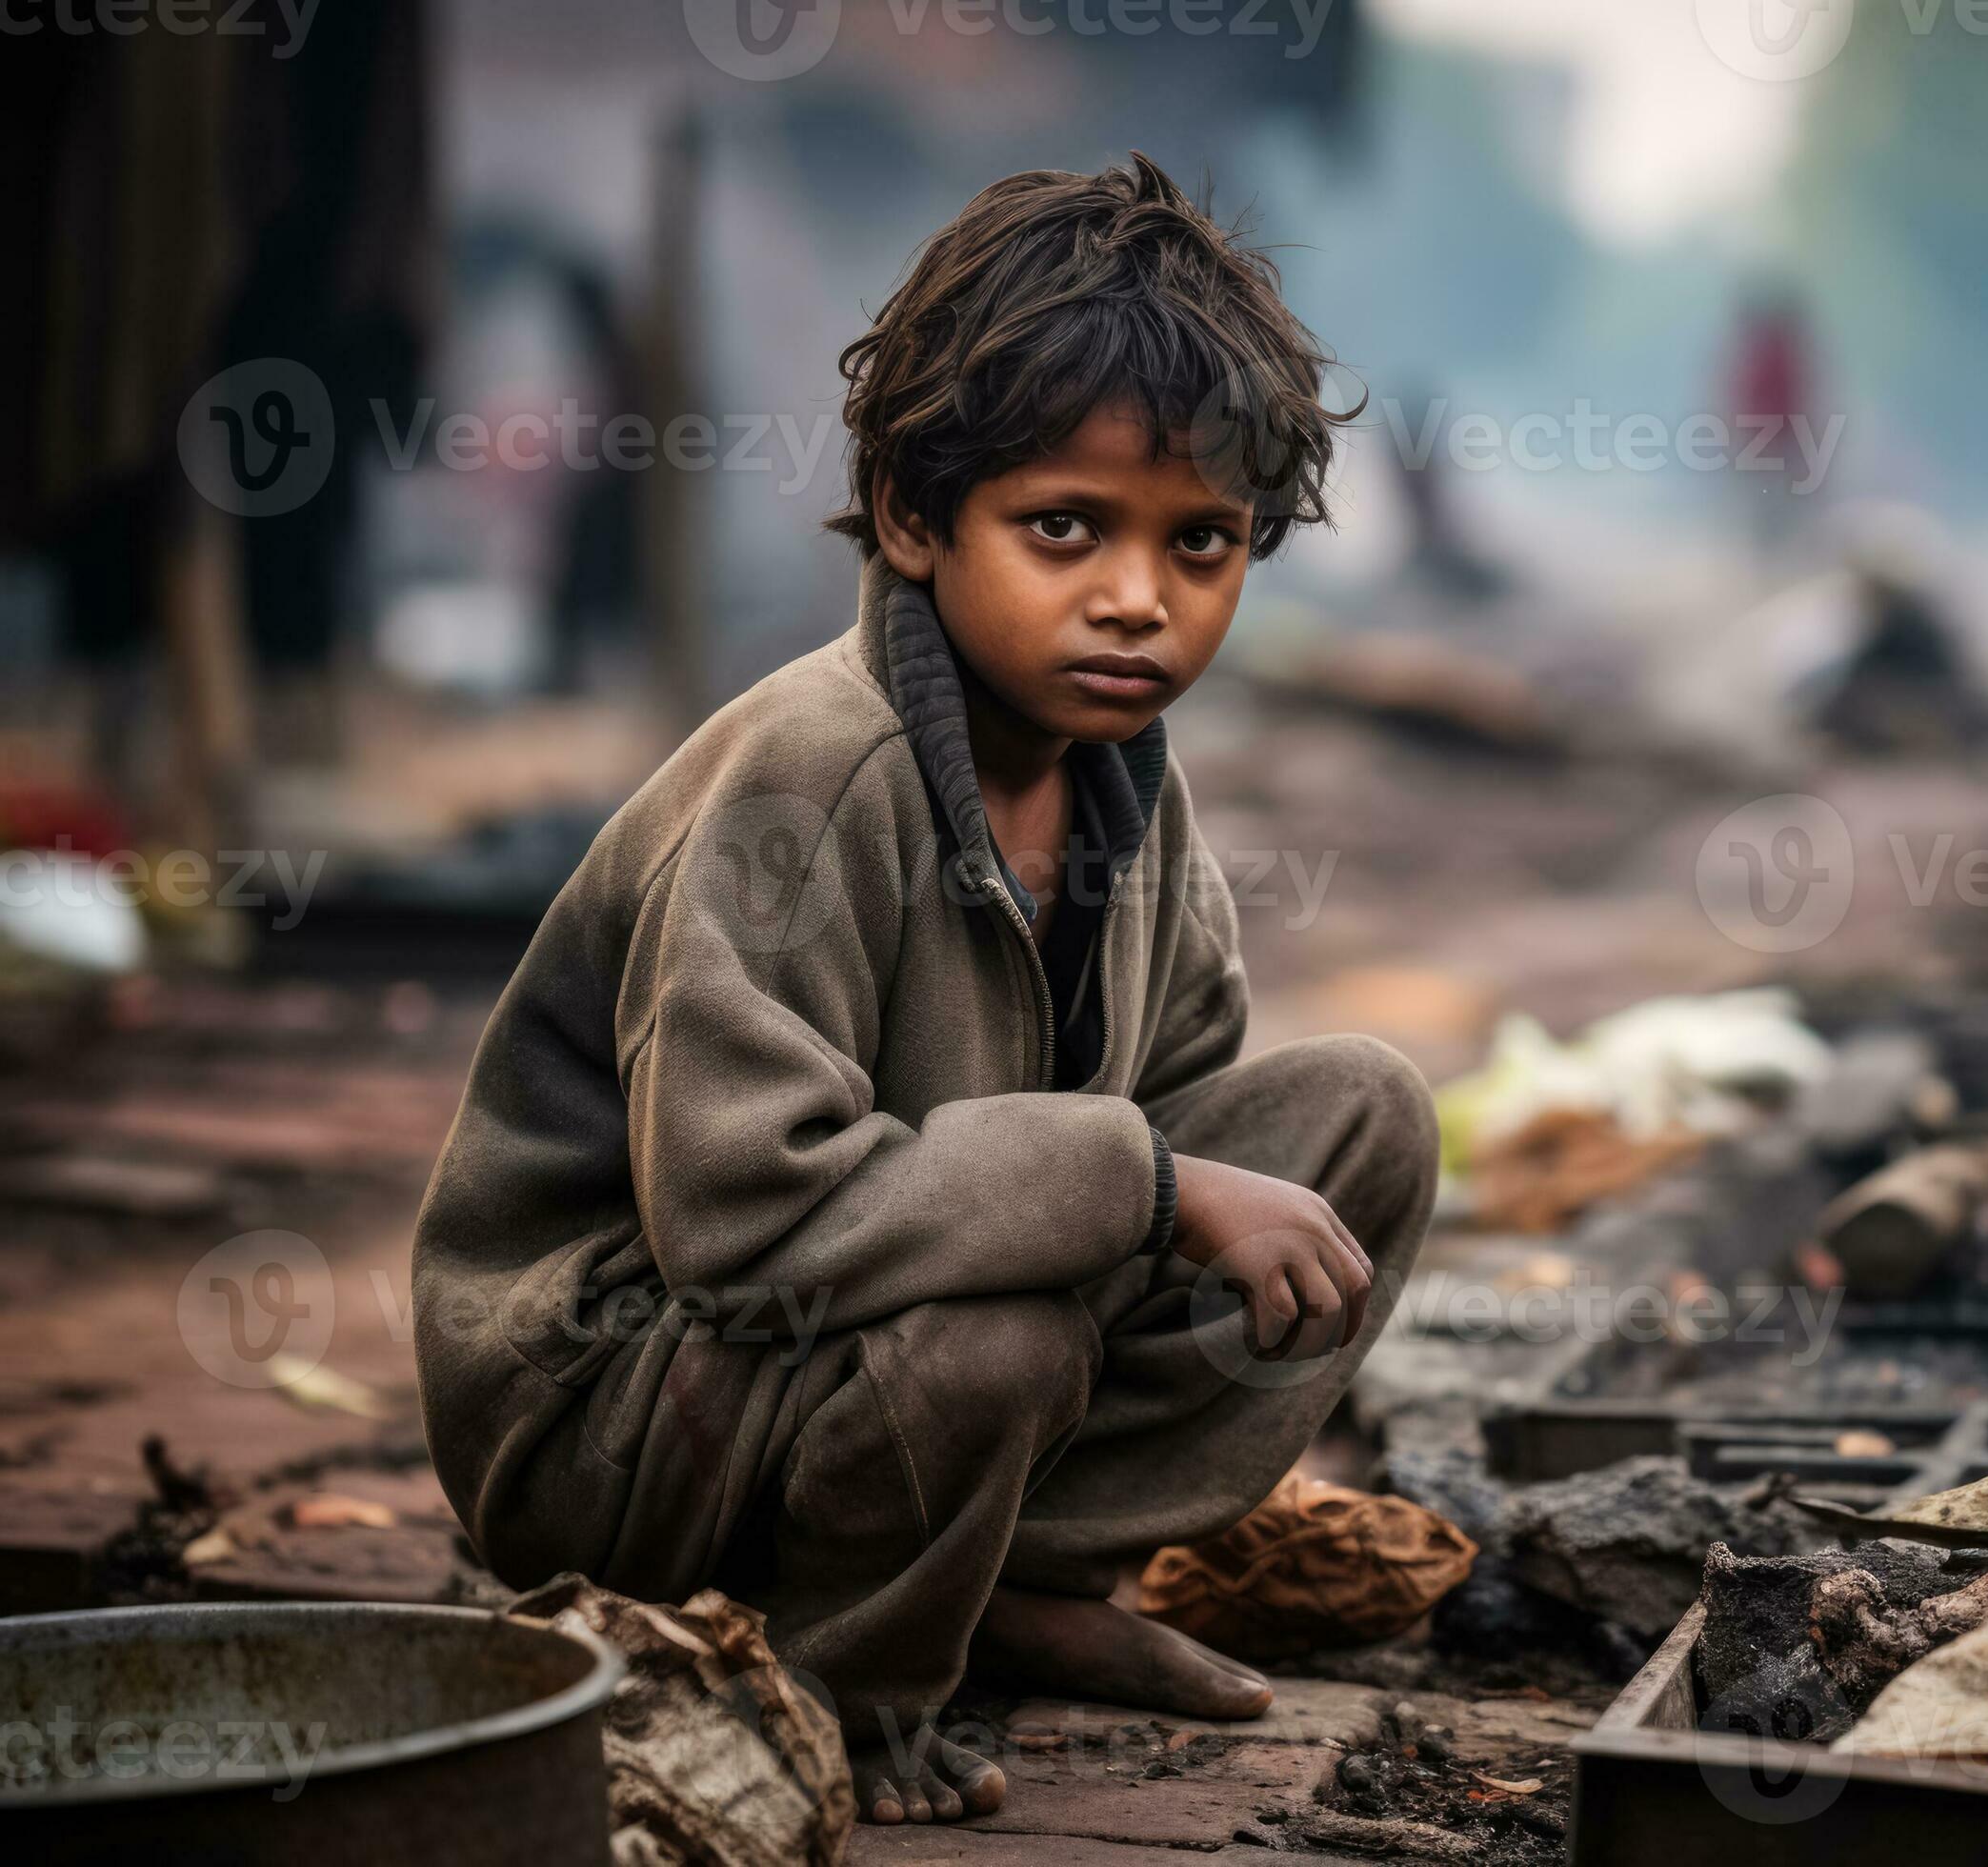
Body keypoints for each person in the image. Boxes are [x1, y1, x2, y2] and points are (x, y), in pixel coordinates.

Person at [410, 155, 1439, 1826]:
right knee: (1002, 1338)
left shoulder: (1124, 783)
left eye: (1203, 544)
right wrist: (1155, 1186)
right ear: (911, 515)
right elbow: (740, 1214)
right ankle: (849, 1685)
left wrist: (1171, 1180)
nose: (1137, 598)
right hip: (608, 1403)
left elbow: (1179, 1089)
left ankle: (993, 1585)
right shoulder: (809, 781)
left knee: (1365, 1121)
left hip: (868, 1348)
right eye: (1064, 528)